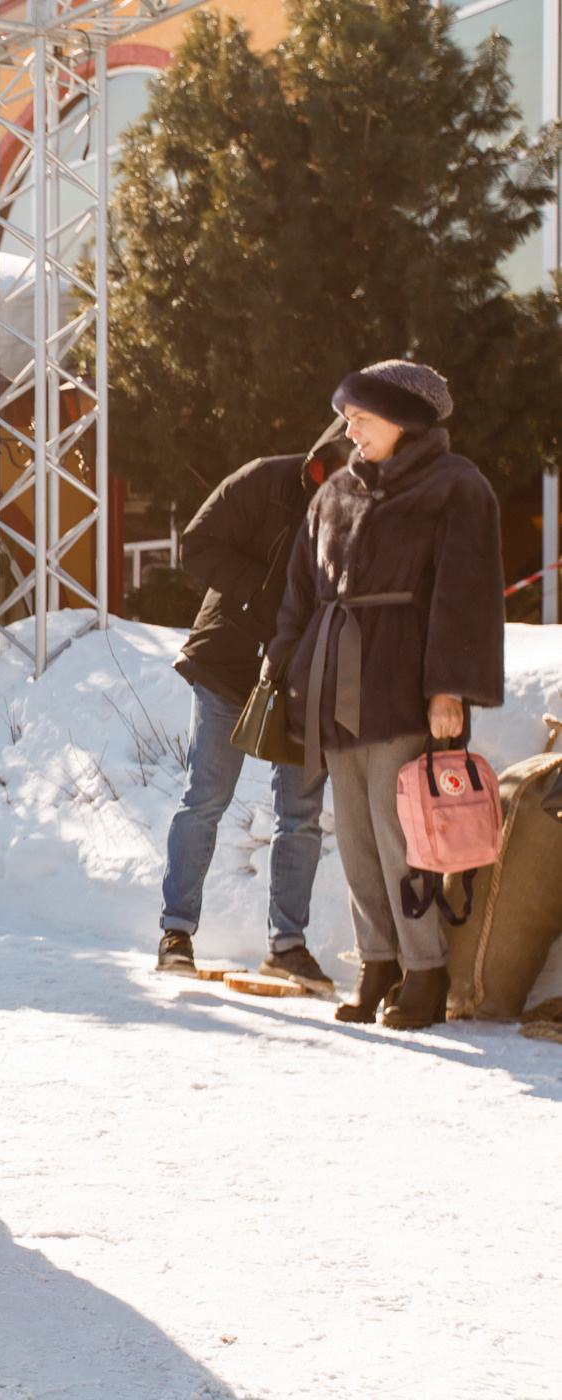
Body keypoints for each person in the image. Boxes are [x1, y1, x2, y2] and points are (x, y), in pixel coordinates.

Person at [268, 360, 504, 1030]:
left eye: (361, 418)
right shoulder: (336, 491)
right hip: (333, 685)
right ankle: (378, 962)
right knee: (355, 836)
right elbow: (300, 589)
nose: (350, 430)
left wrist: (448, 688)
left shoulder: (457, 487)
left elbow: (465, 597)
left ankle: (426, 971)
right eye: (348, 418)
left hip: (405, 683)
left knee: (403, 833)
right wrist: (285, 663)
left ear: (405, 419)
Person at [154, 423, 348, 990]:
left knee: (301, 813)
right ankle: (175, 932)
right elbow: (196, 544)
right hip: (231, 660)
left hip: (308, 672)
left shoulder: (374, 506)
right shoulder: (268, 479)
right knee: (206, 796)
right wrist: (269, 596)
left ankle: (287, 945)